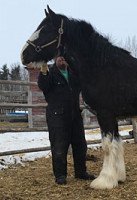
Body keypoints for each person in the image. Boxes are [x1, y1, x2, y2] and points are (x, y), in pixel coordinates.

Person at [38, 55, 95, 185]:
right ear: (54, 60)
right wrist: (43, 70)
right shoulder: (50, 73)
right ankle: (60, 175)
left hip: (74, 114)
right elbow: (43, 85)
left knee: (80, 145)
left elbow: (83, 83)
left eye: (64, 57)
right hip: (57, 116)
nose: (62, 59)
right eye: (59, 57)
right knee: (59, 146)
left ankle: (80, 172)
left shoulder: (73, 74)